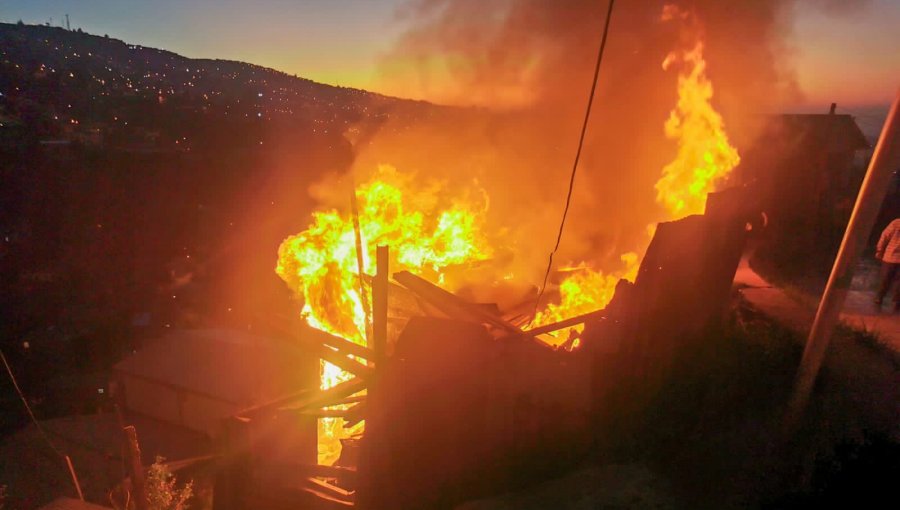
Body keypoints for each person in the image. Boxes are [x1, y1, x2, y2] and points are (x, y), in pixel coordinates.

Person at [874, 218, 900, 309]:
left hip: (889, 257)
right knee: (898, 284)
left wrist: (879, 250)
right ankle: (896, 304)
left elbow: (885, 236)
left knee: (884, 280)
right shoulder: (896, 223)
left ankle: (879, 300)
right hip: (891, 257)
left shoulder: (896, 223)